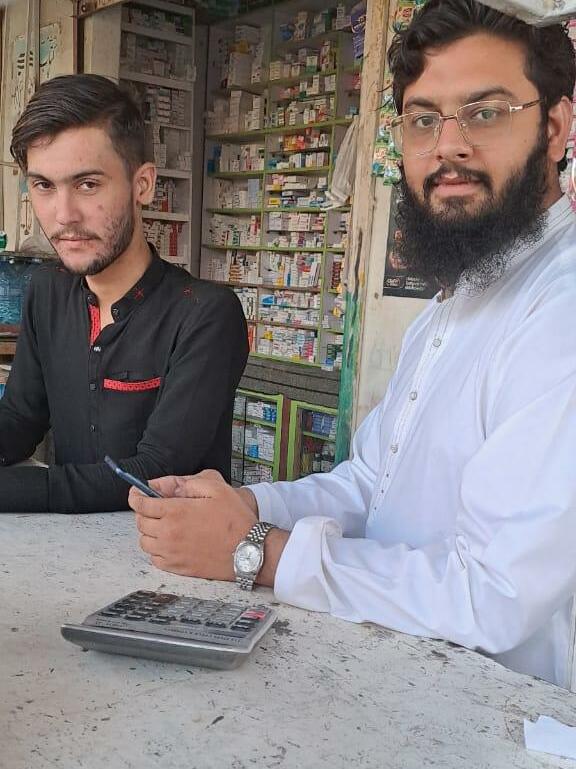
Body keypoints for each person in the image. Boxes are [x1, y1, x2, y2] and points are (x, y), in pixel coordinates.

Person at [129, 0, 576, 689]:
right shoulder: (451, 306)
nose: (447, 147)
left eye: (485, 113)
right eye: (423, 119)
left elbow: (495, 593)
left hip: (499, 714)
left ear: (555, 126)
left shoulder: (559, 308)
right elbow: (370, 488)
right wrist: (249, 508)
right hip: (398, 681)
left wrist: (258, 552)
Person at [0, 74, 248, 513]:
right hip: (70, 544)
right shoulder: (47, 291)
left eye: (87, 184)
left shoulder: (205, 314)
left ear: (142, 184)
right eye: (44, 186)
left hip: (168, 549)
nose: (63, 215)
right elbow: (20, 418)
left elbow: (155, 471)